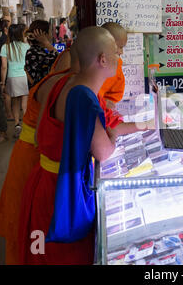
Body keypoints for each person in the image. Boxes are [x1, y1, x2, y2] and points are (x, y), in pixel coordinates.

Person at [18, 26, 119, 264]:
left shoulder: (60, 82)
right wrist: (112, 136)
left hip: (42, 182)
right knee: (63, 255)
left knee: (39, 250)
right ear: (102, 59)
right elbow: (103, 152)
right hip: (63, 192)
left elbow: (37, 136)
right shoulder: (83, 96)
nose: (119, 57)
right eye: (116, 52)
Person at [0, 44, 80, 264]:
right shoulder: (62, 85)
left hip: (34, 155)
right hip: (34, 157)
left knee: (29, 223)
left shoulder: (59, 81)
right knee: (28, 223)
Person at [0, 24, 30, 138]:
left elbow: (4, 67)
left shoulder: (5, 47)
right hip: (24, 76)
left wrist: (3, 82)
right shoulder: (26, 46)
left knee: (15, 102)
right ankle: (27, 126)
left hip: (12, 77)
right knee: (25, 103)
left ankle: (17, 124)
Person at [24, 20, 58, 88]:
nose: (51, 36)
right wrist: (46, 42)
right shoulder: (33, 53)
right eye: (50, 32)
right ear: (44, 34)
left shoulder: (40, 51)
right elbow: (58, 58)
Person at [0, 18, 13, 120]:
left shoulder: (5, 39)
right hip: (4, 68)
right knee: (6, 93)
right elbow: (3, 63)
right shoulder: (4, 40)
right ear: (6, 28)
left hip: (5, 68)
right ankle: (9, 114)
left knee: (8, 92)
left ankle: (10, 113)